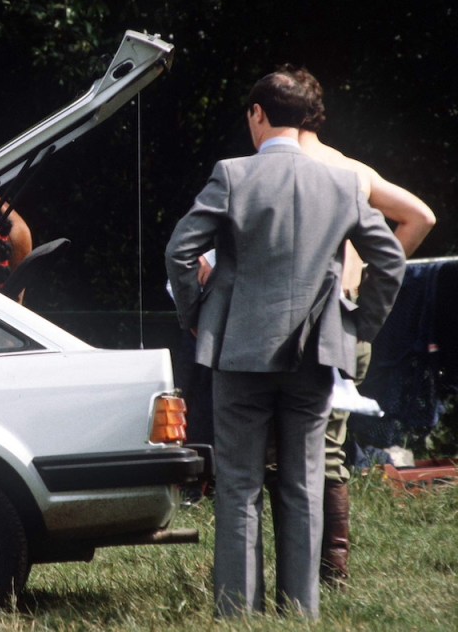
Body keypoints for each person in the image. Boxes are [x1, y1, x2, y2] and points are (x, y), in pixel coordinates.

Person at [165, 71, 405, 619]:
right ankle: (302, 612)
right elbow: (389, 261)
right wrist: (357, 326)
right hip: (315, 355)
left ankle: (237, 613)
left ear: (257, 114)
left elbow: (180, 252)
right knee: (303, 483)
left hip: (238, 353)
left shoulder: (232, 174)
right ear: (307, 119)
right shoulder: (344, 184)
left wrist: (196, 318)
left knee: (239, 486)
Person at [277, 64, 437, 589]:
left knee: (291, 452)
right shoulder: (352, 169)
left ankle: (313, 572)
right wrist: (365, 274)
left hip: (291, 326)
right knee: (329, 449)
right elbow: (420, 217)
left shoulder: (279, 166)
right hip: (347, 323)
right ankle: (331, 569)